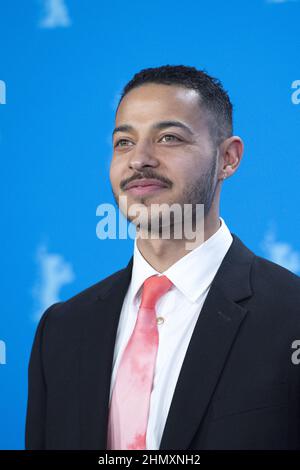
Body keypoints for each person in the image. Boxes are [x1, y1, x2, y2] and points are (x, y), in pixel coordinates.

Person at [25, 65, 300, 450]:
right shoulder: (62, 330)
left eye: (168, 137)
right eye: (124, 142)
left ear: (228, 159)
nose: (139, 159)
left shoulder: (291, 316)